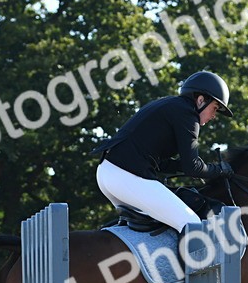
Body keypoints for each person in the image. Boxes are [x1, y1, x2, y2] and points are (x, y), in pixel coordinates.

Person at [93, 71, 235, 233]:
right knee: (193, 225)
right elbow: (193, 168)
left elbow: (160, 163)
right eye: (215, 108)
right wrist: (219, 170)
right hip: (126, 176)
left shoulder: (170, 105)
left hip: (107, 173)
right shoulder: (188, 114)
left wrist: (184, 166)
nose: (214, 116)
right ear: (201, 100)